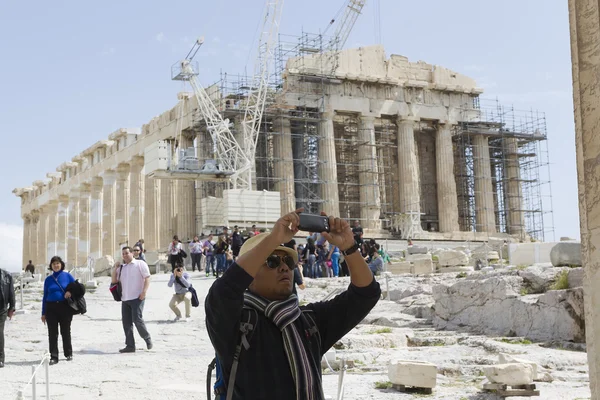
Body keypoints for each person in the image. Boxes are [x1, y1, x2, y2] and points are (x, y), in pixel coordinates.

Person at [205, 210, 381, 399]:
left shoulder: (309, 321)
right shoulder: (235, 323)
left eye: (288, 261)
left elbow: (366, 295)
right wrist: (273, 239)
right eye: (271, 261)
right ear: (248, 276)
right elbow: (224, 291)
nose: (284, 267)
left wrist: (350, 248)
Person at [112, 247, 152, 353]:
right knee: (126, 323)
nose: (125, 255)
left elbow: (147, 278)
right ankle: (130, 345)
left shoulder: (140, 264)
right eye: (123, 254)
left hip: (137, 297)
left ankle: (147, 338)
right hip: (125, 299)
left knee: (137, 320)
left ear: (132, 254)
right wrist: (115, 268)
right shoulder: (121, 268)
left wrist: (144, 292)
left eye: (127, 253)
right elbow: (114, 281)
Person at [41, 256, 75, 365]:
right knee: (52, 333)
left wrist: (70, 292)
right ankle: (54, 356)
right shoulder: (48, 279)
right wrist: (43, 312)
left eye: (58, 263)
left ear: (61, 264)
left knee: (65, 331)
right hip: (51, 308)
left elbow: (77, 288)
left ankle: (68, 353)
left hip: (64, 307)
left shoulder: (67, 276)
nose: (56, 265)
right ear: (51, 266)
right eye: (54, 263)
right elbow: (45, 296)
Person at [0, 267, 15, 368]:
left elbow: (11, 292)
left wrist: (12, 307)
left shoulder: (6, 275)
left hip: (2, 308)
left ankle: (0, 358)